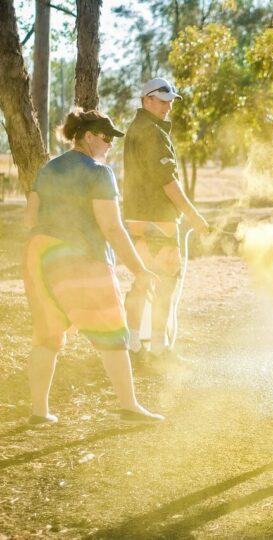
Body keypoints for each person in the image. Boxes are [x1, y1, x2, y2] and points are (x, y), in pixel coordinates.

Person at [22, 109, 164, 424]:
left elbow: (29, 218)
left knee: (46, 335)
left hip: (40, 257)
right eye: (105, 138)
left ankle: (39, 411)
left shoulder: (48, 169)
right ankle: (130, 407)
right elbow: (112, 229)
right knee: (112, 332)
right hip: (81, 259)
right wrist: (140, 270)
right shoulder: (99, 173)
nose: (110, 145)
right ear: (88, 137)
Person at [122, 77, 209, 364]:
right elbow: (168, 182)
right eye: (162, 101)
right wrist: (194, 216)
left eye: (170, 101)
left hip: (135, 218)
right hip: (158, 220)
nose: (168, 106)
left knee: (141, 280)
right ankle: (158, 349)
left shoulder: (136, 128)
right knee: (165, 283)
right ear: (146, 100)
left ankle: (134, 346)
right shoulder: (152, 132)